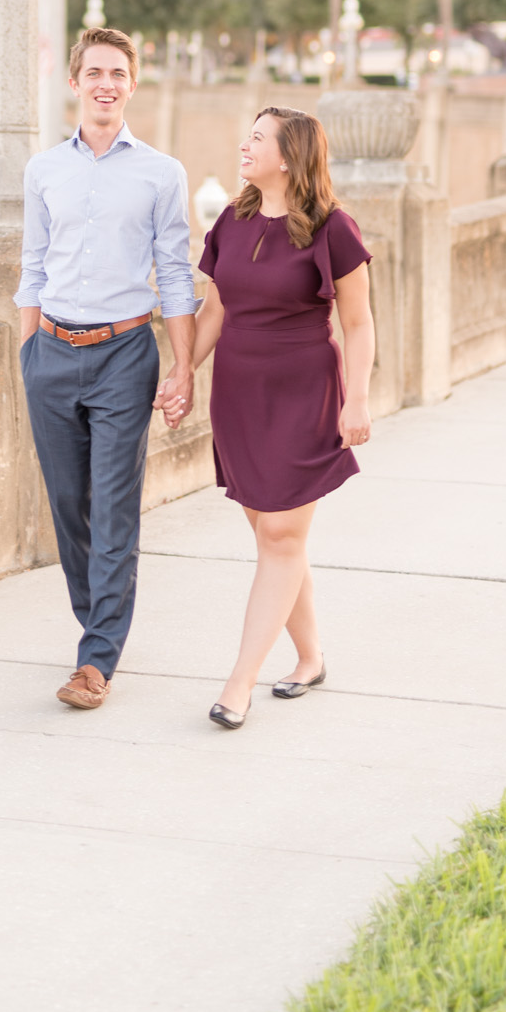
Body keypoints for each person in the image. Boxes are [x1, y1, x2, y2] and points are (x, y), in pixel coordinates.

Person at [161, 106, 374, 731]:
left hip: (304, 393)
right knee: (274, 535)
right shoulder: (233, 219)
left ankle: (240, 681)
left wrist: (355, 399)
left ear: (289, 156)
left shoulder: (335, 229)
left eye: (257, 138)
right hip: (238, 394)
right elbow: (213, 312)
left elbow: (358, 324)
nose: (243, 144)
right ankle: (309, 657)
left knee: (281, 537)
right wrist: (182, 374)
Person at [16, 27, 197, 712]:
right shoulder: (43, 171)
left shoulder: (160, 172)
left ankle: (95, 660)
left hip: (125, 353)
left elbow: (176, 275)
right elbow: (32, 265)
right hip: (52, 353)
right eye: (94, 71)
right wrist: (28, 352)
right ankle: (102, 620)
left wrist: (182, 368)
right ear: (74, 82)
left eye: (117, 73)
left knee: (114, 505)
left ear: (132, 83)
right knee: (68, 506)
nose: (105, 83)